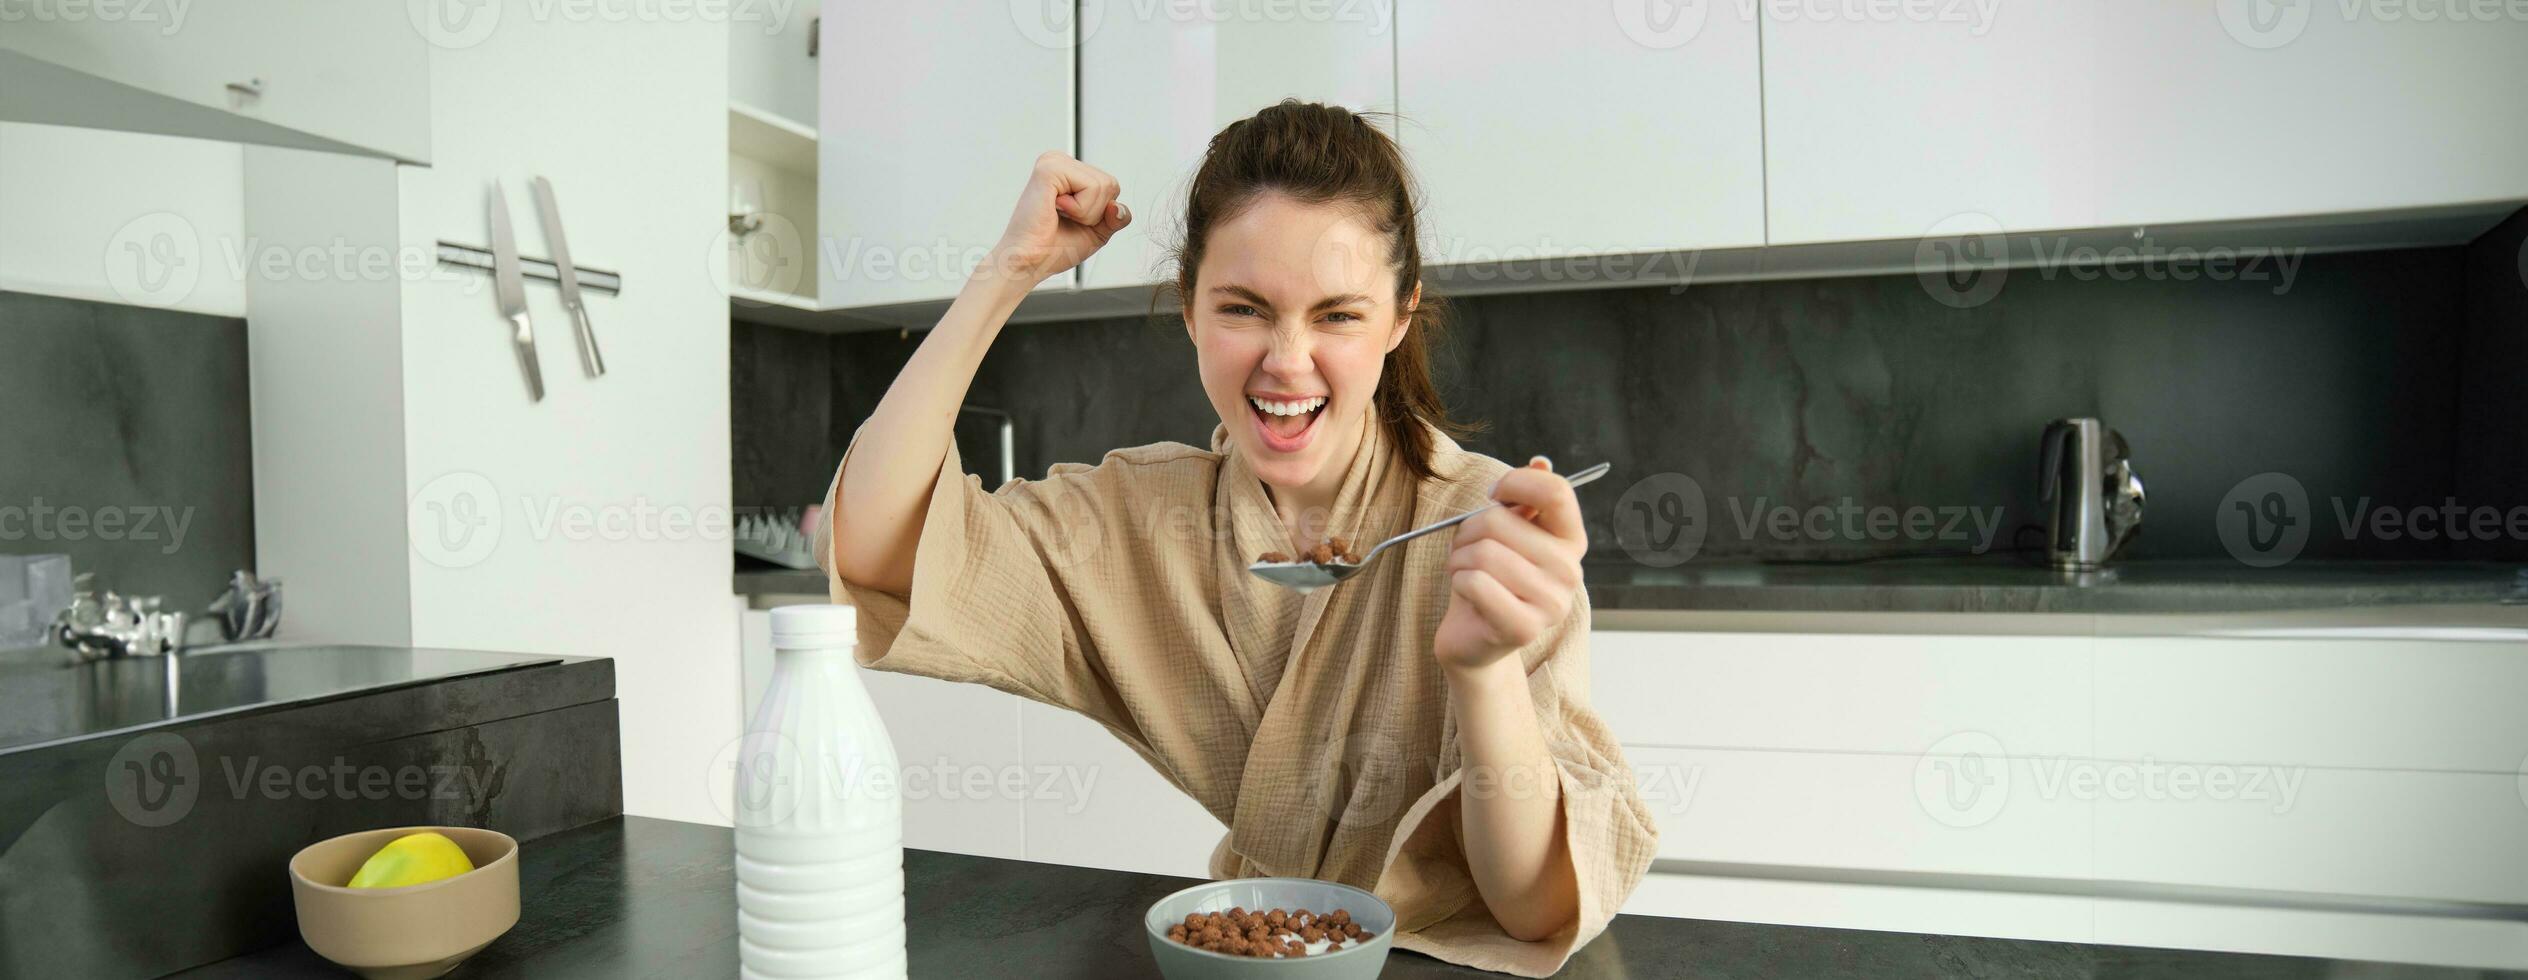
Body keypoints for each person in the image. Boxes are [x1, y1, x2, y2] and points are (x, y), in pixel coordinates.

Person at [813, 100, 1655, 976]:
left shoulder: (1487, 531)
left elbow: (1535, 908)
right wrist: (1007, 271)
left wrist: (1483, 672)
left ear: (1401, 317)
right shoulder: (1140, 523)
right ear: (1189, 307)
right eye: (1245, 309)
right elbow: (880, 549)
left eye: (1337, 316)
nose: (1287, 361)